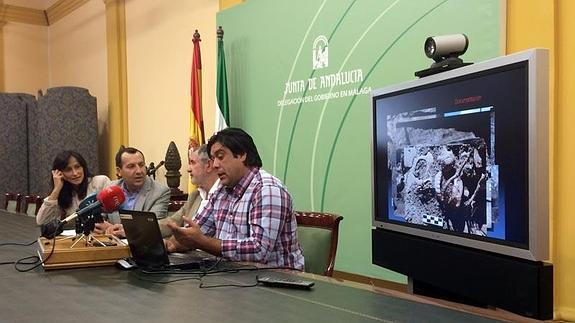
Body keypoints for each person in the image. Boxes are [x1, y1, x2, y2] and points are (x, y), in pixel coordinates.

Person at [166, 128, 304, 270]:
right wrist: (169, 245)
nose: (215, 165)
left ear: (241, 155)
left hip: (278, 281)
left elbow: (258, 251)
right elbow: (196, 232)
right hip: (234, 277)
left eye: (220, 156)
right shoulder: (221, 190)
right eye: (213, 159)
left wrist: (202, 241)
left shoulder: (267, 189)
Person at [94, 146, 170, 237]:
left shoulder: (160, 192)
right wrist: (102, 227)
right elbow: (100, 220)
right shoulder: (110, 188)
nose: (139, 171)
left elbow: (154, 227)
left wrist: (121, 230)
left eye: (141, 165)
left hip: (142, 248)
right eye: (131, 166)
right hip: (112, 246)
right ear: (119, 171)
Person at [159, 144, 220, 237]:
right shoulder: (195, 195)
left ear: (208, 165)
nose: (188, 169)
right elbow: (173, 222)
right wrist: (142, 229)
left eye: (193, 162)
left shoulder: (224, 196)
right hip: (184, 248)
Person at [36, 150, 110, 226]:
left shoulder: (101, 182)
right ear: (59, 173)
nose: (75, 173)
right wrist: (56, 189)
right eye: (68, 170)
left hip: (105, 234)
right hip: (79, 236)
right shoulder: (62, 193)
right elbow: (42, 221)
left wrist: (107, 226)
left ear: (83, 167)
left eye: (77, 167)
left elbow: (115, 215)